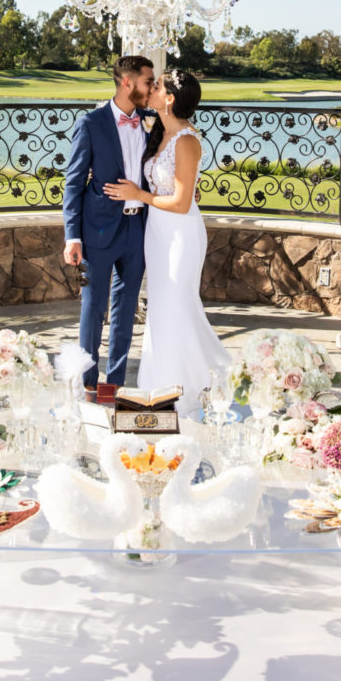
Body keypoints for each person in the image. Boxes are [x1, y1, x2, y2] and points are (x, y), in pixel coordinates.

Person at [103, 67, 231, 415]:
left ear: (170, 98)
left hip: (180, 235)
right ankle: (158, 388)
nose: (152, 90)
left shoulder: (187, 141)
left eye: (157, 86)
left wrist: (137, 194)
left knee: (176, 304)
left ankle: (186, 393)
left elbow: (181, 201)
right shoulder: (160, 131)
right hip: (157, 235)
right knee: (161, 308)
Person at [63, 55, 154, 394]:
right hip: (97, 230)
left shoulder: (151, 121)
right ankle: (88, 382)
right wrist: (72, 236)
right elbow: (73, 182)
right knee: (93, 307)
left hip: (137, 230)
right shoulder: (91, 123)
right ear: (127, 82)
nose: (152, 87)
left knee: (126, 309)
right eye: (148, 81)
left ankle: (113, 385)